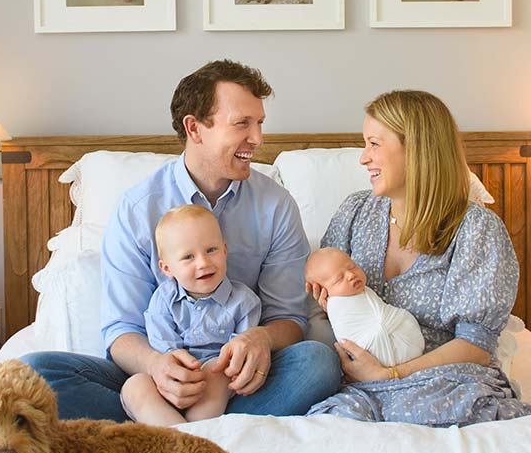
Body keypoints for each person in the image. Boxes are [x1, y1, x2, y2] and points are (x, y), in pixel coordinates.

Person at [23, 59, 341, 421]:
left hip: (236, 379)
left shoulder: (275, 206)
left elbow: (288, 318)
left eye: (259, 123)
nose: (257, 139)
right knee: (35, 374)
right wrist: (157, 365)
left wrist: (262, 340)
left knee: (319, 362)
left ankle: (171, 433)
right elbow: (121, 330)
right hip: (154, 377)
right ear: (195, 128)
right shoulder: (137, 209)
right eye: (242, 124)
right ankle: (186, 426)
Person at [305, 90, 531, 426]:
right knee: (329, 422)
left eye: (374, 144)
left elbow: (476, 347)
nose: (363, 158)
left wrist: (389, 374)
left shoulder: (476, 229)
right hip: (357, 385)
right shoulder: (355, 213)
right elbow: (325, 307)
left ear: (417, 148)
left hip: (443, 382)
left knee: (446, 409)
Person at [120, 205, 261, 425]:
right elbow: (164, 350)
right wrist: (177, 374)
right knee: (134, 385)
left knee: (217, 372)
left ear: (224, 250)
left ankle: (197, 431)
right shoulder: (163, 300)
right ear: (167, 268)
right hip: (169, 382)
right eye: (188, 257)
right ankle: (174, 433)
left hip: (217, 389)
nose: (203, 263)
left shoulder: (244, 302)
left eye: (211, 250)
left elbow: (242, 354)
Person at [304, 247, 424, 369]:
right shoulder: (336, 305)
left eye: (352, 267)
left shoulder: (364, 291)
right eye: (339, 279)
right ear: (324, 292)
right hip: (376, 352)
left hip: (405, 342)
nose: (351, 275)